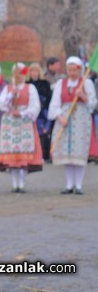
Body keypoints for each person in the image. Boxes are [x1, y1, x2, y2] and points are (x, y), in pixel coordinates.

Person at [48, 56, 97, 195]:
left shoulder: (86, 83)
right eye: (69, 70)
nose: (72, 73)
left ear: (79, 70)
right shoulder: (61, 84)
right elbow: (54, 103)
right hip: (64, 119)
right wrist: (59, 117)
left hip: (81, 120)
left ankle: (79, 185)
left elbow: (93, 104)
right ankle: (69, 184)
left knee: (78, 153)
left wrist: (83, 96)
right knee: (67, 154)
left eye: (74, 70)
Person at [0, 63, 43, 193]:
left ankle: (22, 182)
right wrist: (11, 95)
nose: (18, 76)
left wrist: (22, 113)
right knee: (12, 155)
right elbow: (1, 104)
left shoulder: (30, 88)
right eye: (16, 73)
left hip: (24, 121)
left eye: (20, 73)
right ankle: (14, 182)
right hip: (10, 122)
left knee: (23, 153)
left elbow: (35, 105)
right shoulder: (8, 88)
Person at [27, 62, 53, 163]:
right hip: (30, 112)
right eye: (32, 71)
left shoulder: (45, 84)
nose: (34, 73)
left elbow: (49, 99)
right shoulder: (27, 84)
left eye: (36, 71)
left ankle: (43, 154)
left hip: (42, 113)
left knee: (43, 134)